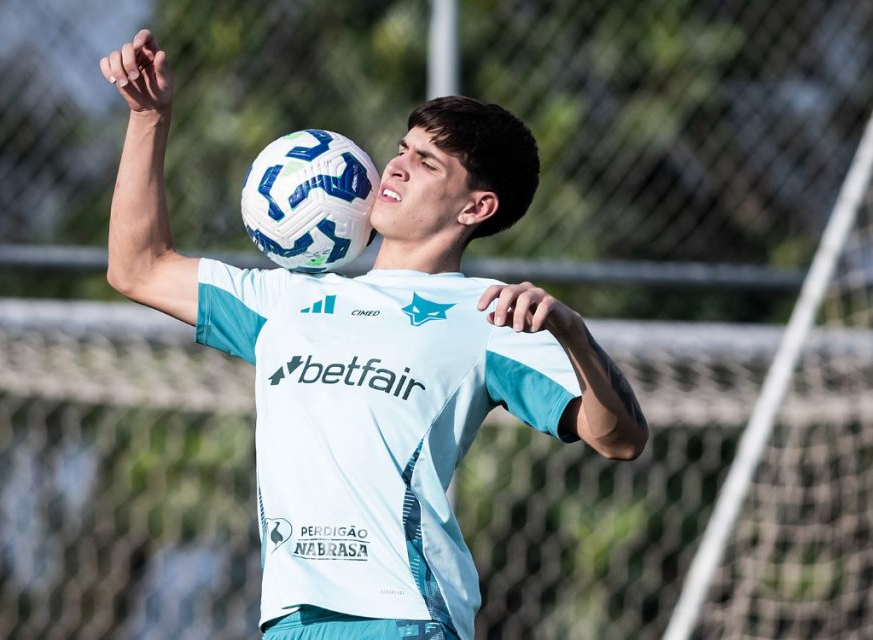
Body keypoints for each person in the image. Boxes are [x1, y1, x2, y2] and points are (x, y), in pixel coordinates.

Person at [101, 29, 647, 640]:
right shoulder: (288, 300)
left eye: (427, 162)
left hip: (404, 615)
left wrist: (573, 336)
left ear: (476, 208)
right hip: (290, 619)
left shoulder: (490, 314)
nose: (397, 166)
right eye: (402, 149)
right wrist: (148, 117)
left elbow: (619, 438)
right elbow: (137, 268)